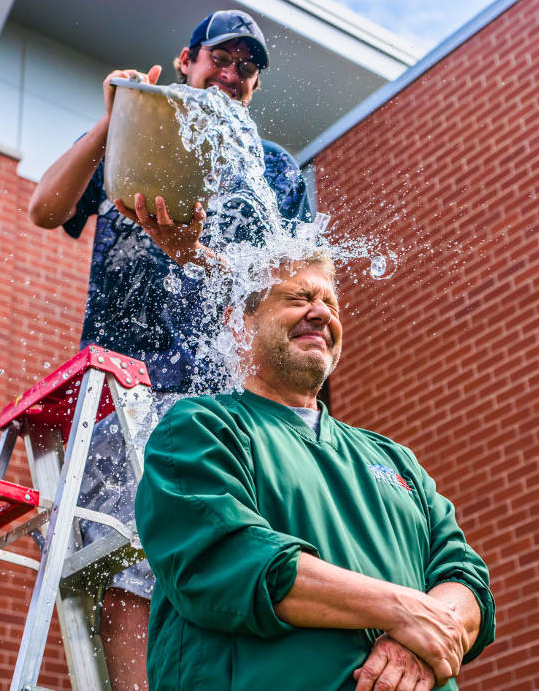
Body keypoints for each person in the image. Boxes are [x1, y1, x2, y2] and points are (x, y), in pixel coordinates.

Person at [27, 10, 314, 689]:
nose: (233, 75)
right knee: (128, 556)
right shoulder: (144, 121)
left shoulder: (273, 169)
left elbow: (288, 287)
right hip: (124, 386)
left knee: (222, 560)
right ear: (187, 60)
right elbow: (44, 207)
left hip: (222, 396)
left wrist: (197, 255)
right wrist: (110, 119)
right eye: (222, 59)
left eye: (248, 68)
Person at [135, 254, 495, 690]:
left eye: (331, 304)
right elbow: (228, 558)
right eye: (298, 298)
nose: (322, 312)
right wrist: (402, 609)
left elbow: (464, 579)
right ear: (237, 325)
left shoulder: (396, 459)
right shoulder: (202, 428)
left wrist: (415, 644)